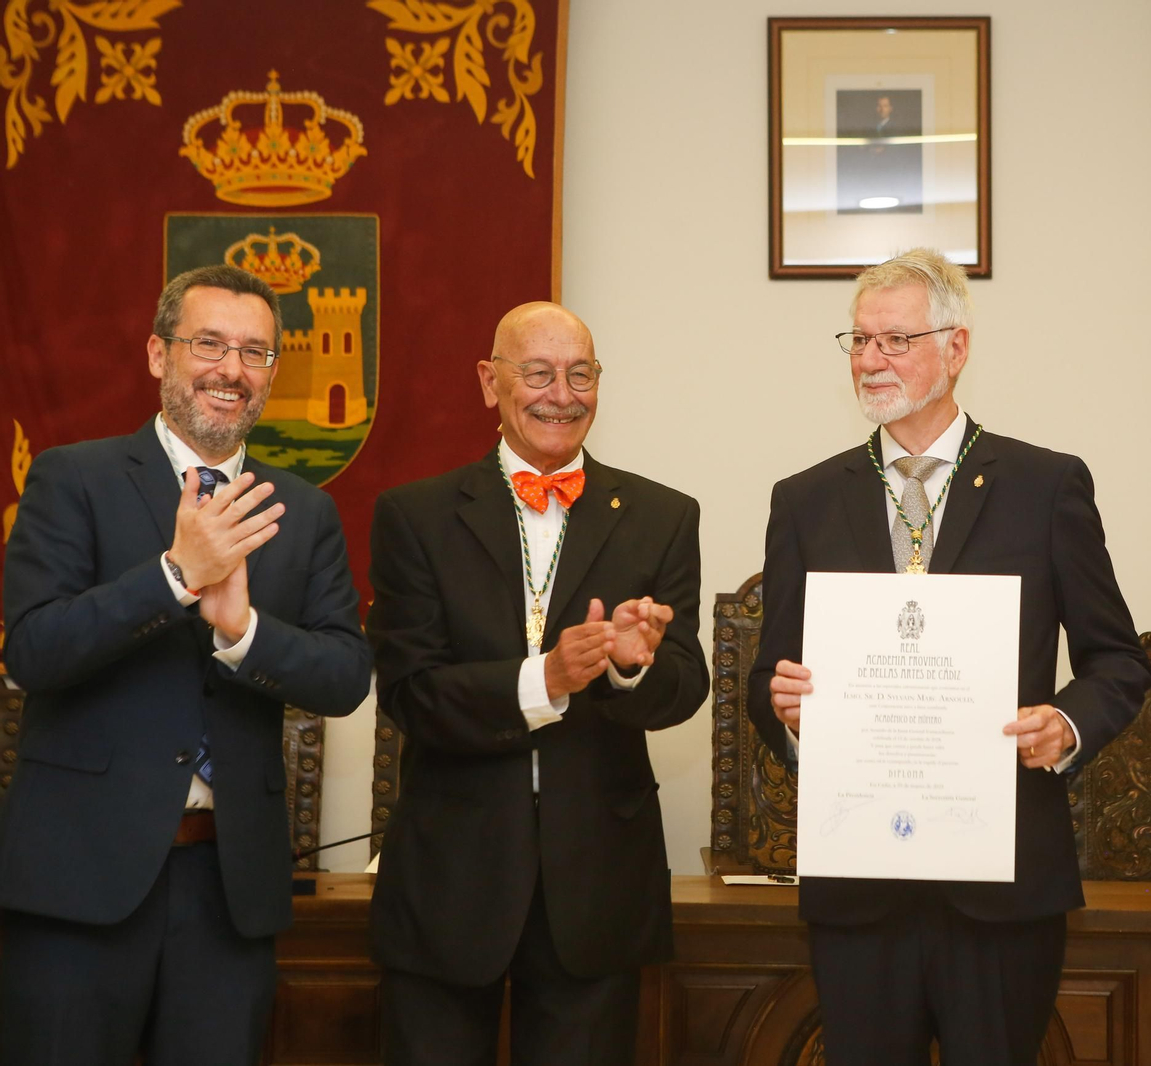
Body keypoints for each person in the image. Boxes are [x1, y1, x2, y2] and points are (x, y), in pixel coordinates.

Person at [747, 248, 1151, 1065]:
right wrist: (789, 713)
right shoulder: (806, 499)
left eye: (896, 340)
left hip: (1002, 886)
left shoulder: (1047, 486)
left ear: (956, 346)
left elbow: (1119, 662)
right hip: (858, 890)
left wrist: (1065, 726)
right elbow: (768, 679)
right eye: (859, 341)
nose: (871, 360)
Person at [0, 264, 373, 1065]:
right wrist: (174, 575)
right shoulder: (74, 478)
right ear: (157, 355)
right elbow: (32, 651)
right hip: (79, 884)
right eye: (209, 344)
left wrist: (243, 632)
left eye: (255, 353)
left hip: (228, 889)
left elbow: (344, 676)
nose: (231, 370)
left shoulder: (302, 512)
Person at [367, 302, 708, 1065]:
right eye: (538, 373)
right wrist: (544, 678)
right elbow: (410, 693)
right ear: (491, 383)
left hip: (597, 885)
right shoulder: (414, 517)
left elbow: (686, 686)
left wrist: (630, 666)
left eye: (580, 373)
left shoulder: (661, 515)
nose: (563, 393)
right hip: (449, 878)